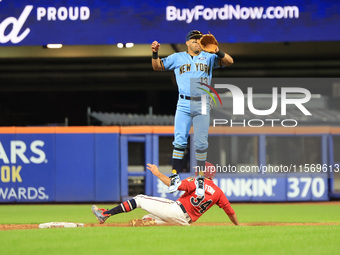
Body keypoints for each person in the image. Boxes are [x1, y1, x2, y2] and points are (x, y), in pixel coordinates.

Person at [151, 30, 234, 196]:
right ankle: (175, 175)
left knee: (201, 144)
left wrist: (218, 51)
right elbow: (157, 66)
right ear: (188, 42)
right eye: (195, 40)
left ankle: (201, 178)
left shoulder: (209, 57)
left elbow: (230, 61)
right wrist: (155, 53)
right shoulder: (177, 57)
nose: (198, 42)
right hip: (183, 102)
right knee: (179, 140)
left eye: (199, 40)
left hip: (203, 102)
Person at [91, 163, 239, 226]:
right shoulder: (218, 192)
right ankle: (151, 223)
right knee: (145, 219)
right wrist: (238, 225)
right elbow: (230, 212)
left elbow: (173, 185)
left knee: (140, 199)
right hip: (185, 222)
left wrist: (157, 173)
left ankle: (105, 214)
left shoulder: (196, 181)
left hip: (176, 210)